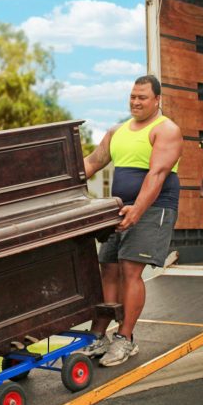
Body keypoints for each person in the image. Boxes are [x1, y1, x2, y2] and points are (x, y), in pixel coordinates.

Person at [81, 74, 182, 367]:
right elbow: (91, 163)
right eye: (132, 97)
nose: (136, 102)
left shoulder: (166, 130)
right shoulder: (117, 131)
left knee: (130, 269)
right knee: (107, 269)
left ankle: (125, 339)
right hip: (119, 208)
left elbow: (157, 175)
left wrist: (137, 210)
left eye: (142, 97)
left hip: (153, 208)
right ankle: (98, 336)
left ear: (157, 100)